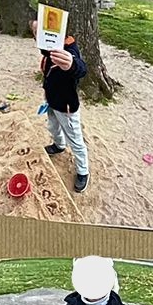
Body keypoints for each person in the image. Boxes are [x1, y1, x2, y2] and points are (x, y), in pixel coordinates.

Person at [38, 30, 91, 194]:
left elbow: (81, 68)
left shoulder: (69, 47)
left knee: (75, 139)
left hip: (66, 106)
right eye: (36, 33)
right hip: (51, 101)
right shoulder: (48, 47)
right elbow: (48, 73)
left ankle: (83, 171)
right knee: (53, 127)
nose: (38, 36)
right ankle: (59, 145)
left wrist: (72, 64)